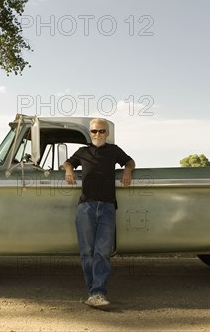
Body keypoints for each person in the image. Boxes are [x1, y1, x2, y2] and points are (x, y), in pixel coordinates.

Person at [62, 118, 135, 308]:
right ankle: (93, 291)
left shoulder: (114, 150)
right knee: (87, 252)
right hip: (86, 206)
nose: (97, 135)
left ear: (107, 133)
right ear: (90, 133)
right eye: (94, 131)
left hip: (108, 207)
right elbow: (67, 162)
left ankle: (98, 292)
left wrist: (127, 170)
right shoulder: (82, 152)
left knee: (102, 251)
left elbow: (130, 161)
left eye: (101, 131)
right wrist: (69, 169)